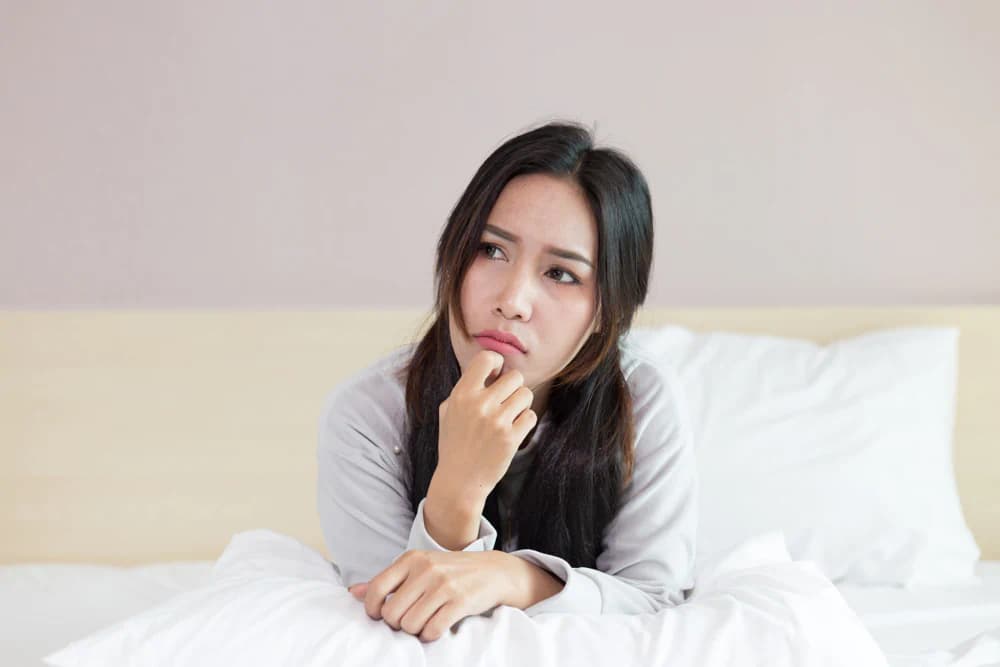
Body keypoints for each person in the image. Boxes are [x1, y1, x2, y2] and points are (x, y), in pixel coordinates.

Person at [316, 119, 698, 643]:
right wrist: (457, 488)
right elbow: (398, 621)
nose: (511, 301)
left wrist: (512, 577)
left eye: (561, 273)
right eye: (491, 250)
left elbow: (656, 601)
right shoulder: (368, 416)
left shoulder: (642, 402)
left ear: (608, 312)